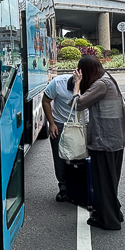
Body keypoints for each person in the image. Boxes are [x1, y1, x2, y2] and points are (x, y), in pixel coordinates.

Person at [72, 55, 125, 230]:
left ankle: (109, 221)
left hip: (104, 140)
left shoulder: (101, 84)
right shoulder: (107, 79)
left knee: (103, 182)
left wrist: (77, 84)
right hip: (114, 139)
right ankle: (113, 212)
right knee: (109, 181)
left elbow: (78, 104)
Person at [42, 73, 78, 202]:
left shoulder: (91, 83)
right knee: (60, 157)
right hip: (60, 124)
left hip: (82, 124)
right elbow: (45, 101)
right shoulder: (58, 83)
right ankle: (63, 188)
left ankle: (81, 186)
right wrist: (51, 123)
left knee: (81, 157)